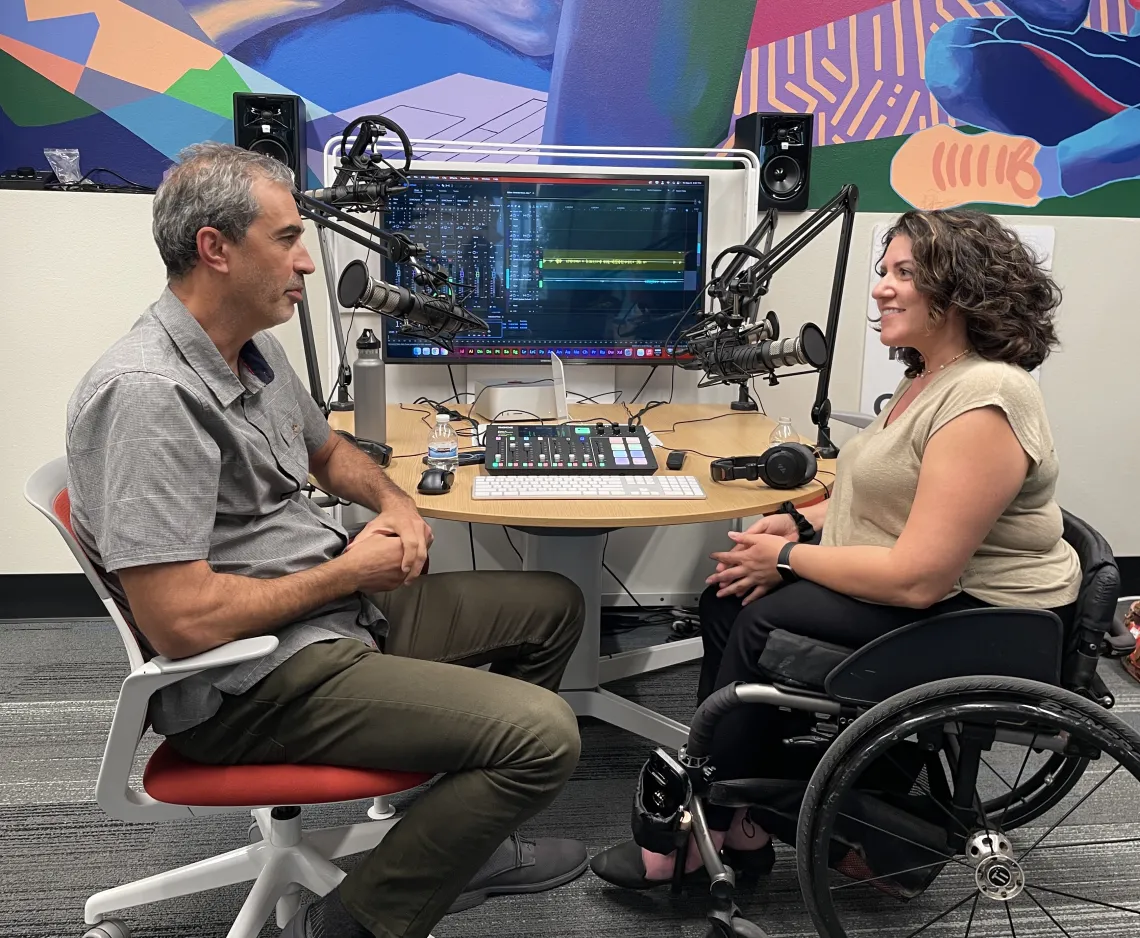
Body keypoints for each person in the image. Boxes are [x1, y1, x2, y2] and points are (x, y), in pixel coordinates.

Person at [65, 142, 589, 938]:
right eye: (285, 240)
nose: (307, 262)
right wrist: (348, 571)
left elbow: (327, 451)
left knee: (551, 606)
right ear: (215, 248)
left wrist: (397, 508)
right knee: (544, 738)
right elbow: (182, 622)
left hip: (332, 620)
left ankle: (455, 838)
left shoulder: (249, 349)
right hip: (250, 682)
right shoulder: (149, 397)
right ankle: (344, 926)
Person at [590, 207, 1082, 888]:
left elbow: (917, 579)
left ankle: (709, 821)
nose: (881, 287)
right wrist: (799, 523)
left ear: (961, 289)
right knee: (728, 598)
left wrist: (787, 559)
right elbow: (885, 492)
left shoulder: (986, 399)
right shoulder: (928, 379)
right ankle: (739, 819)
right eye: (884, 271)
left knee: (766, 618)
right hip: (948, 590)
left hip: (989, 616)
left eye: (904, 273)